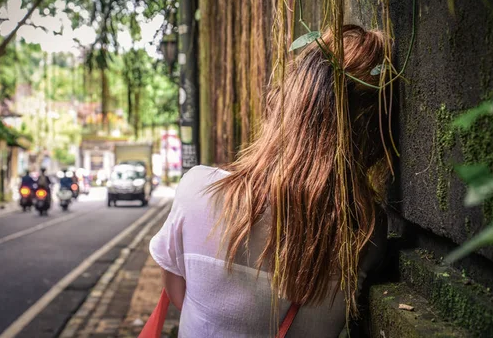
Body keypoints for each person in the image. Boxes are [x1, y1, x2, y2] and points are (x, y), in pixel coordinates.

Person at [149, 25, 390, 337]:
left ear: (284, 103)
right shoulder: (367, 228)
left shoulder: (198, 190)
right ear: (375, 137)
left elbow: (179, 293)